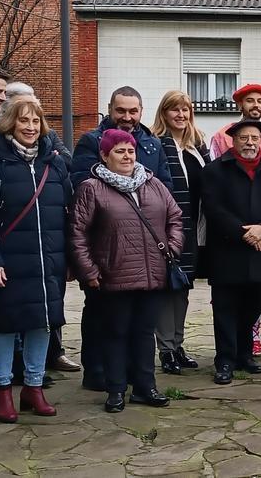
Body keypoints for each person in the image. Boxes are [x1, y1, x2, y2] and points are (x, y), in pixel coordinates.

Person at [69, 129, 183, 413]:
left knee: (144, 333)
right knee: (116, 334)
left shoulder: (153, 184)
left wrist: (172, 249)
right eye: (119, 151)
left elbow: (175, 218)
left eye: (130, 151)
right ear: (104, 155)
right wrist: (89, 271)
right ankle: (116, 390)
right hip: (114, 275)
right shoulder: (91, 188)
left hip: (152, 274)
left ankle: (146, 387)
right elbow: (77, 234)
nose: (127, 156)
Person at [0, 97, 70, 423]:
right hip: (8, 261)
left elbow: (68, 213)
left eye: (36, 121)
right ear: (9, 124)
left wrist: (69, 258)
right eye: (23, 121)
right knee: (5, 326)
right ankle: (2, 389)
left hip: (48, 259)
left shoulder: (54, 163)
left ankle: (33, 386)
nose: (31, 127)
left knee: (42, 322)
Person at [201, 120, 261, 385]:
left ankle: (245, 354)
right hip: (228, 251)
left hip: (259, 251)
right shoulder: (215, 171)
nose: (250, 142)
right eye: (244, 138)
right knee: (226, 308)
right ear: (233, 140)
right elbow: (214, 209)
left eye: (254, 137)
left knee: (254, 304)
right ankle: (225, 360)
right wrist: (246, 234)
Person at [0, 83, 77, 375]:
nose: (31, 124)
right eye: (23, 115)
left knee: (47, 308)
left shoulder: (50, 148)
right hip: (14, 249)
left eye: (35, 116)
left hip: (48, 246)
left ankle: (43, 367)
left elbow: (66, 167)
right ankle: (11, 377)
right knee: (13, 315)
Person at [151, 91, 212, 375]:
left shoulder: (197, 146)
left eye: (185, 110)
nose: (181, 115)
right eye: (174, 110)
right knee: (167, 290)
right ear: (164, 113)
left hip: (194, 228)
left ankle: (177, 344)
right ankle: (166, 350)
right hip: (166, 231)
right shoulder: (155, 145)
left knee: (183, 288)